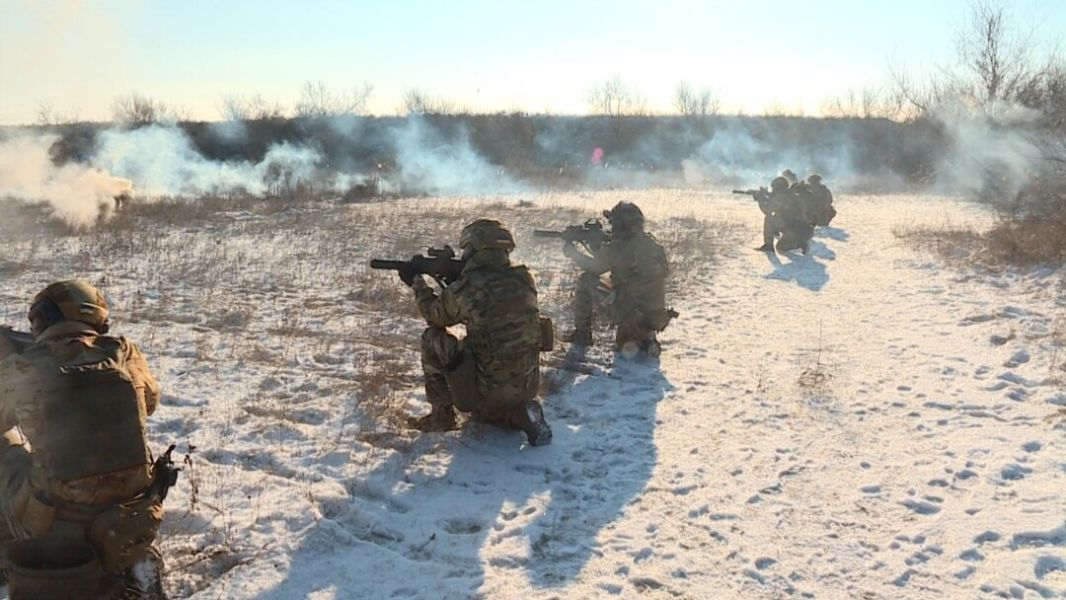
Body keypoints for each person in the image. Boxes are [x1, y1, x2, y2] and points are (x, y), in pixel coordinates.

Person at [0, 280, 168, 598]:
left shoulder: (23, 366)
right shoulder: (123, 352)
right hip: (132, 511)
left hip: (53, 523)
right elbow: (150, 403)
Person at [399, 219, 553, 447]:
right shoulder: (523, 277)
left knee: (431, 337)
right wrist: (455, 283)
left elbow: (435, 315)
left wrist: (417, 283)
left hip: (490, 387)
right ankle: (520, 413)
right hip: (528, 382)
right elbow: (487, 308)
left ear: (475, 247)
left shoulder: (469, 285)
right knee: (490, 412)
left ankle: (442, 416)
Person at [563, 201, 675, 357]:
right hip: (656, 317)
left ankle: (583, 335)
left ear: (623, 225)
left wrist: (573, 252)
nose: (612, 228)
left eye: (614, 224)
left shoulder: (619, 246)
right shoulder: (652, 244)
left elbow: (594, 268)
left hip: (630, 315)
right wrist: (598, 247)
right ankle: (646, 336)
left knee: (586, 280)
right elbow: (624, 266)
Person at [756, 176, 814, 254]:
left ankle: (768, 245)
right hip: (806, 230)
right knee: (781, 246)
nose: (773, 190)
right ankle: (801, 244)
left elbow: (767, 210)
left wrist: (760, 199)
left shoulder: (780, 196)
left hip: (794, 230)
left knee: (769, 219)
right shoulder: (793, 195)